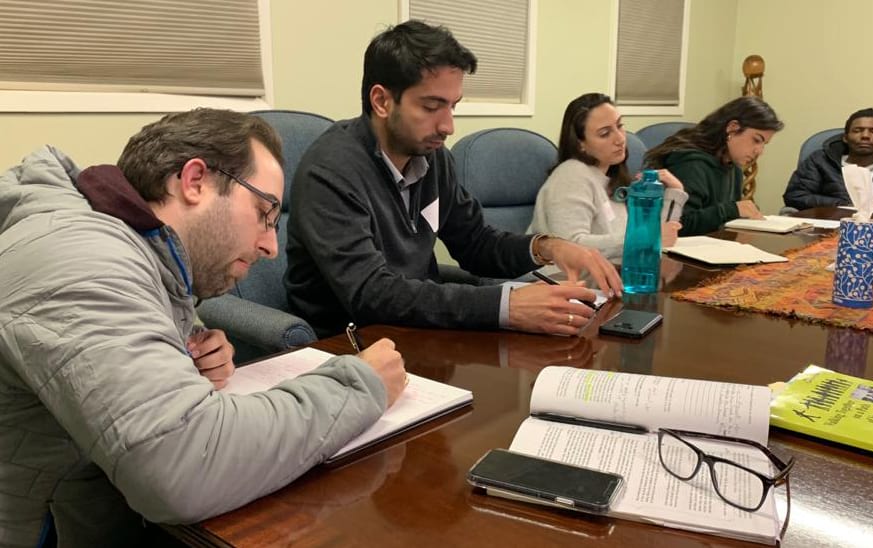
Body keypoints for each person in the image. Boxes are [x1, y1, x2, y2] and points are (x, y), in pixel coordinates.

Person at [0, 109, 406, 547]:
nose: (271, 245)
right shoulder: (82, 260)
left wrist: (182, 355)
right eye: (264, 212)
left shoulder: (132, 245)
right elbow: (185, 467)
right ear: (195, 181)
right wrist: (359, 384)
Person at [285, 21, 622, 337]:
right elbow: (370, 294)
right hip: (345, 344)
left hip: (417, 329)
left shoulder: (433, 159)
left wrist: (547, 247)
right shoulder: (331, 171)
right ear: (382, 101)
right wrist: (505, 306)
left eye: (452, 106)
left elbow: (476, 244)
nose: (448, 126)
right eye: (432, 107)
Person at [527, 92, 686, 261]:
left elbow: (660, 237)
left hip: (612, 275)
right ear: (580, 144)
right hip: (566, 280)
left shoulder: (611, 176)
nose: (620, 139)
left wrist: (675, 192)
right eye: (605, 133)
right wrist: (644, 238)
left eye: (620, 126)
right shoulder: (570, 175)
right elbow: (570, 245)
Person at [643, 96, 784, 236]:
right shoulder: (690, 164)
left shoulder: (732, 165)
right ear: (732, 128)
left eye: (764, 144)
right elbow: (678, 225)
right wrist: (732, 210)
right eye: (756, 140)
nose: (759, 151)